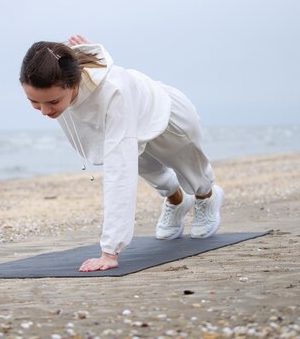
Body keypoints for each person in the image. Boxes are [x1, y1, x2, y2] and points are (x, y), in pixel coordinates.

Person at [19, 34, 224, 272]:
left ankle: (206, 198)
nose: (44, 110)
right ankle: (176, 201)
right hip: (127, 120)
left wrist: (110, 251)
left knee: (193, 175)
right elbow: (68, 59)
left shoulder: (114, 92)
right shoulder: (65, 74)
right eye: (34, 102)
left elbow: (120, 173)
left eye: (53, 102)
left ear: (74, 83)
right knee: (150, 171)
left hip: (167, 118)